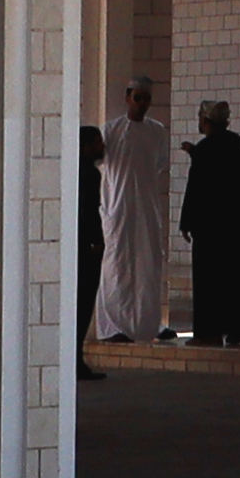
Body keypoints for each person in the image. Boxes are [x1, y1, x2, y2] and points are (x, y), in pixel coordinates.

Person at [179, 97, 240, 355]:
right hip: (238, 226)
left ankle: (209, 333)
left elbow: (199, 188)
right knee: (237, 278)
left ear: (205, 120)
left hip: (211, 229)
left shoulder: (205, 149)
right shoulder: (236, 143)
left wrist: (186, 222)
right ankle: (239, 327)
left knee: (209, 281)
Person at [92, 77, 168, 341]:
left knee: (148, 264)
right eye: (138, 98)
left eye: (147, 99)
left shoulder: (157, 131)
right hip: (118, 208)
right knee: (117, 265)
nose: (143, 104)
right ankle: (113, 326)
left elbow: (158, 164)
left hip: (146, 208)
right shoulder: (111, 131)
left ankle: (148, 323)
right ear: (127, 98)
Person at [74, 121, 105, 348]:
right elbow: (90, 210)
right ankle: (77, 358)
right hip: (86, 248)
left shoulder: (72, 170)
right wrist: (95, 240)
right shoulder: (90, 174)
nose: (102, 147)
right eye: (97, 143)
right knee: (83, 304)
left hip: (76, 245)